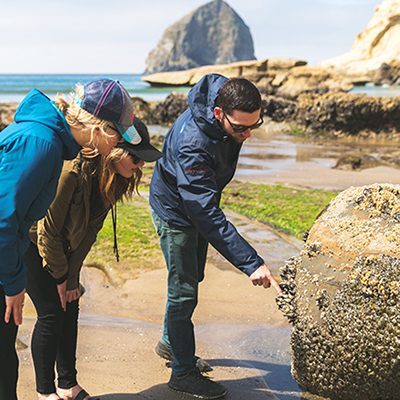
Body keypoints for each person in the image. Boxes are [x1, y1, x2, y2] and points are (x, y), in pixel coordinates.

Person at [0, 78, 142, 400]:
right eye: (119, 134)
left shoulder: (51, 142)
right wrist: (12, 283)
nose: (119, 144)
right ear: (100, 129)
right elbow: (4, 219)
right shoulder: (42, 144)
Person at [150, 73, 282, 399]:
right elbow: (204, 213)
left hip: (196, 203)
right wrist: (251, 263)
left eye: (255, 125)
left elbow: (205, 208)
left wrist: (237, 132)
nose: (247, 135)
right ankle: (182, 373)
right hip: (176, 211)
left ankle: (171, 342)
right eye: (240, 129)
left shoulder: (224, 96)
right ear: (219, 114)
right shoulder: (193, 144)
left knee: (194, 276)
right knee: (183, 292)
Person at [24, 117, 162, 400]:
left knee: (70, 305)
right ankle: (44, 392)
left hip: (62, 248)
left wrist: (72, 278)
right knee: (51, 313)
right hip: (28, 241)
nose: (140, 166)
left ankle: (67, 385)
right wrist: (60, 276)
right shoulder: (71, 171)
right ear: (116, 150)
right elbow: (46, 231)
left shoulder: (114, 180)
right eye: (137, 159)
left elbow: (88, 233)